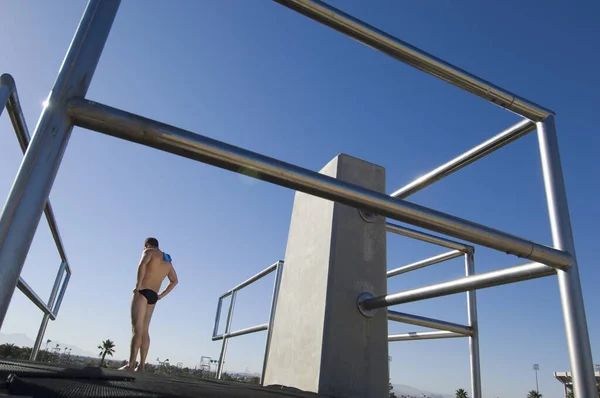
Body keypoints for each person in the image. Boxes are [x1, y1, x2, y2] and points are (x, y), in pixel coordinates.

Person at [123, 237, 178, 372]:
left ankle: (130, 365)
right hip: (153, 295)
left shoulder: (149, 252)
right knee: (145, 330)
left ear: (147, 245)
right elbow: (174, 281)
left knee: (137, 329)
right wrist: (160, 295)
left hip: (142, 292)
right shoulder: (167, 261)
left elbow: (141, 265)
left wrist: (138, 285)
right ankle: (141, 365)